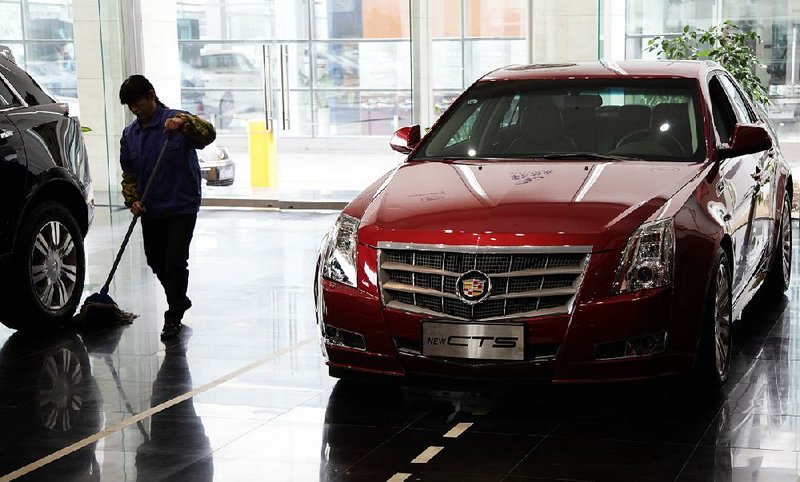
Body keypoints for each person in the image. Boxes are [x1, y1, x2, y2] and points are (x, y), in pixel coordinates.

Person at [118, 75, 216, 339]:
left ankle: (173, 314)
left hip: (181, 204)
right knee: (155, 261)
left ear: (151, 94)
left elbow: (208, 134)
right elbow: (129, 173)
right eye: (129, 105)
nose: (134, 109)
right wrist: (133, 200)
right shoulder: (130, 135)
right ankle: (180, 298)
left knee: (174, 261)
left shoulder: (176, 120)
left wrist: (184, 124)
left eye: (136, 102)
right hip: (151, 208)